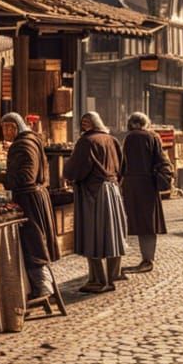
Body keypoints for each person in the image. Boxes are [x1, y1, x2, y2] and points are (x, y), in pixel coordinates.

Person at [64, 112, 128, 292]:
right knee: (112, 234)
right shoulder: (111, 139)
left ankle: (98, 281)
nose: (84, 124)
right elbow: (122, 166)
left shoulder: (86, 142)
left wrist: (67, 173)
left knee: (93, 235)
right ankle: (112, 275)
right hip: (112, 189)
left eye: (87, 122)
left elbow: (77, 168)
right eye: (82, 121)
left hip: (94, 192)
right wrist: (116, 182)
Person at [1, 112, 59, 299]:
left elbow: (26, 177)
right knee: (36, 240)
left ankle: (43, 287)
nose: (5, 131)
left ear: (15, 127)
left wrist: (1, 177)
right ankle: (43, 285)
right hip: (35, 196)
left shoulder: (22, 145)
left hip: (29, 199)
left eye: (8, 127)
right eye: (3, 127)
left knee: (33, 241)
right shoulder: (32, 141)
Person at [120, 112, 172, 273]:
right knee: (148, 224)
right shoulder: (153, 137)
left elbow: (123, 163)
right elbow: (162, 160)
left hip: (131, 185)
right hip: (148, 185)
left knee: (132, 222)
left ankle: (141, 260)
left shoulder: (129, 138)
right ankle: (148, 259)